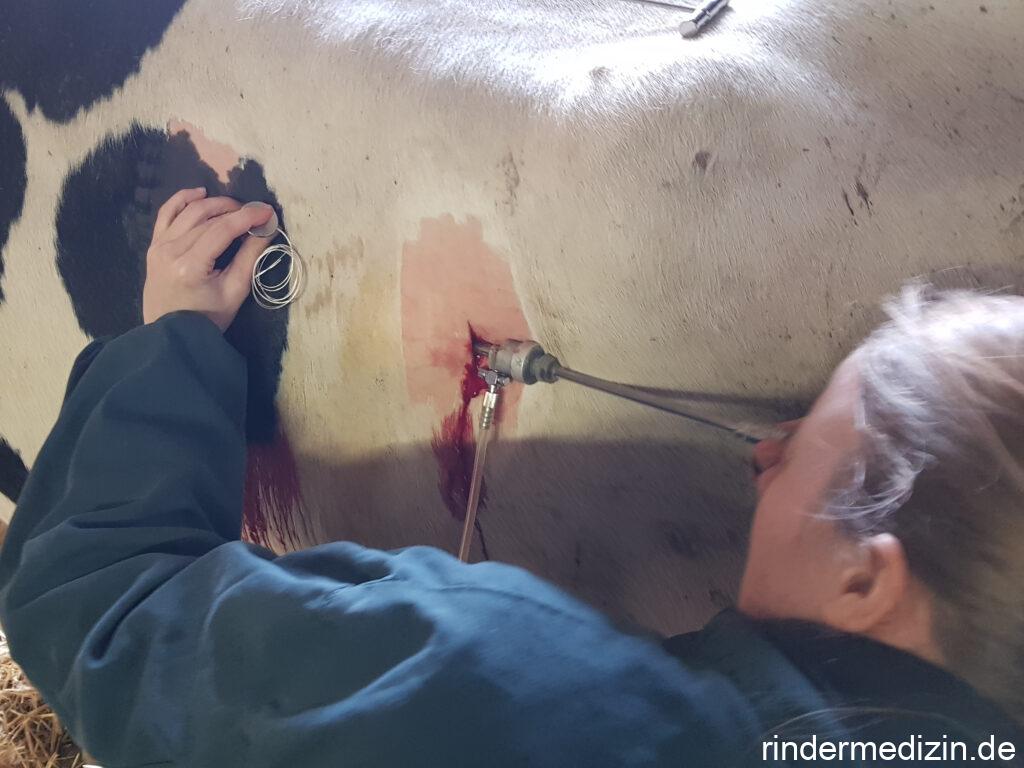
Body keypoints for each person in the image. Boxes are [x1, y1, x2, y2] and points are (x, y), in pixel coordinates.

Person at [0, 188, 1022, 767]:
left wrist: (170, 342)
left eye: (801, 448)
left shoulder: (513, 690)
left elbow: (104, 608)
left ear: (865, 576)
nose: (763, 453)